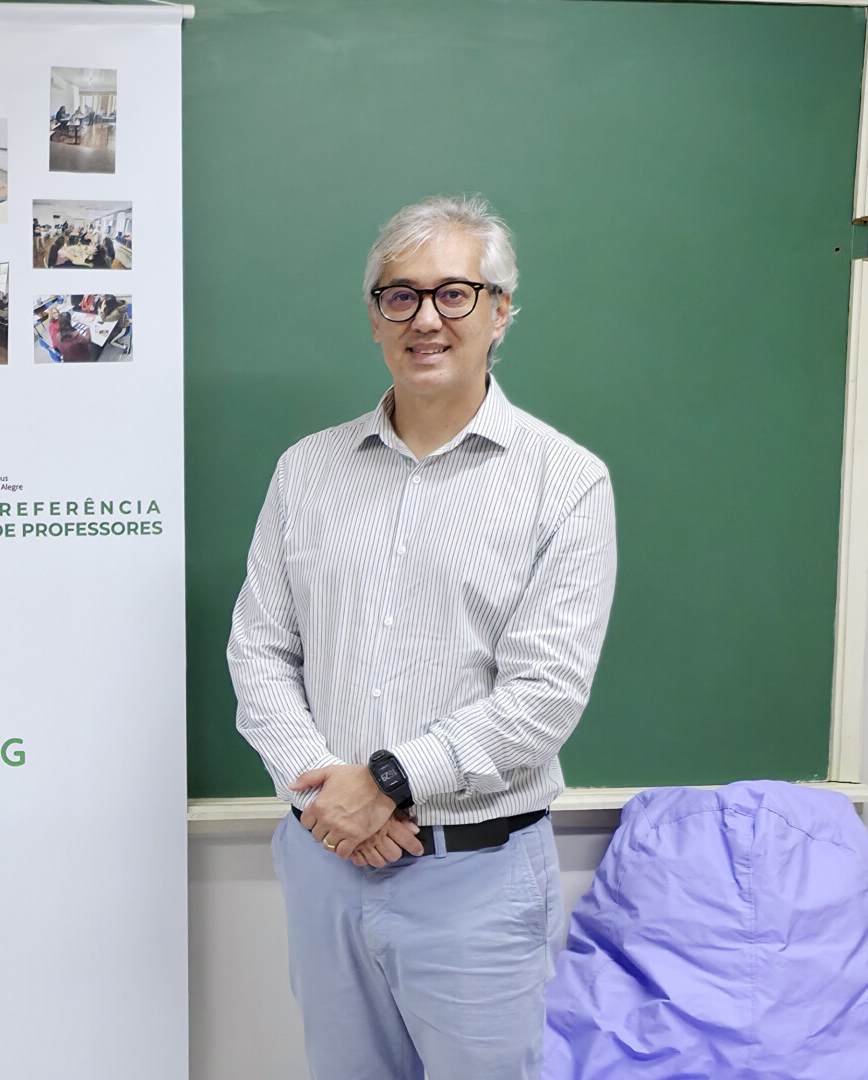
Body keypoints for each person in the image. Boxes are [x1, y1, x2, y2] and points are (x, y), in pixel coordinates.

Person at [225, 194, 616, 1080]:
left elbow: (544, 696)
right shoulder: (306, 470)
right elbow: (259, 651)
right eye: (399, 296)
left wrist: (388, 782)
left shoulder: (566, 482)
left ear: (500, 311)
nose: (426, 319)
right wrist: (327, 798)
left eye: (454, 294)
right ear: (375, 319)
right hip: (324, 865)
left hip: (477, 882)